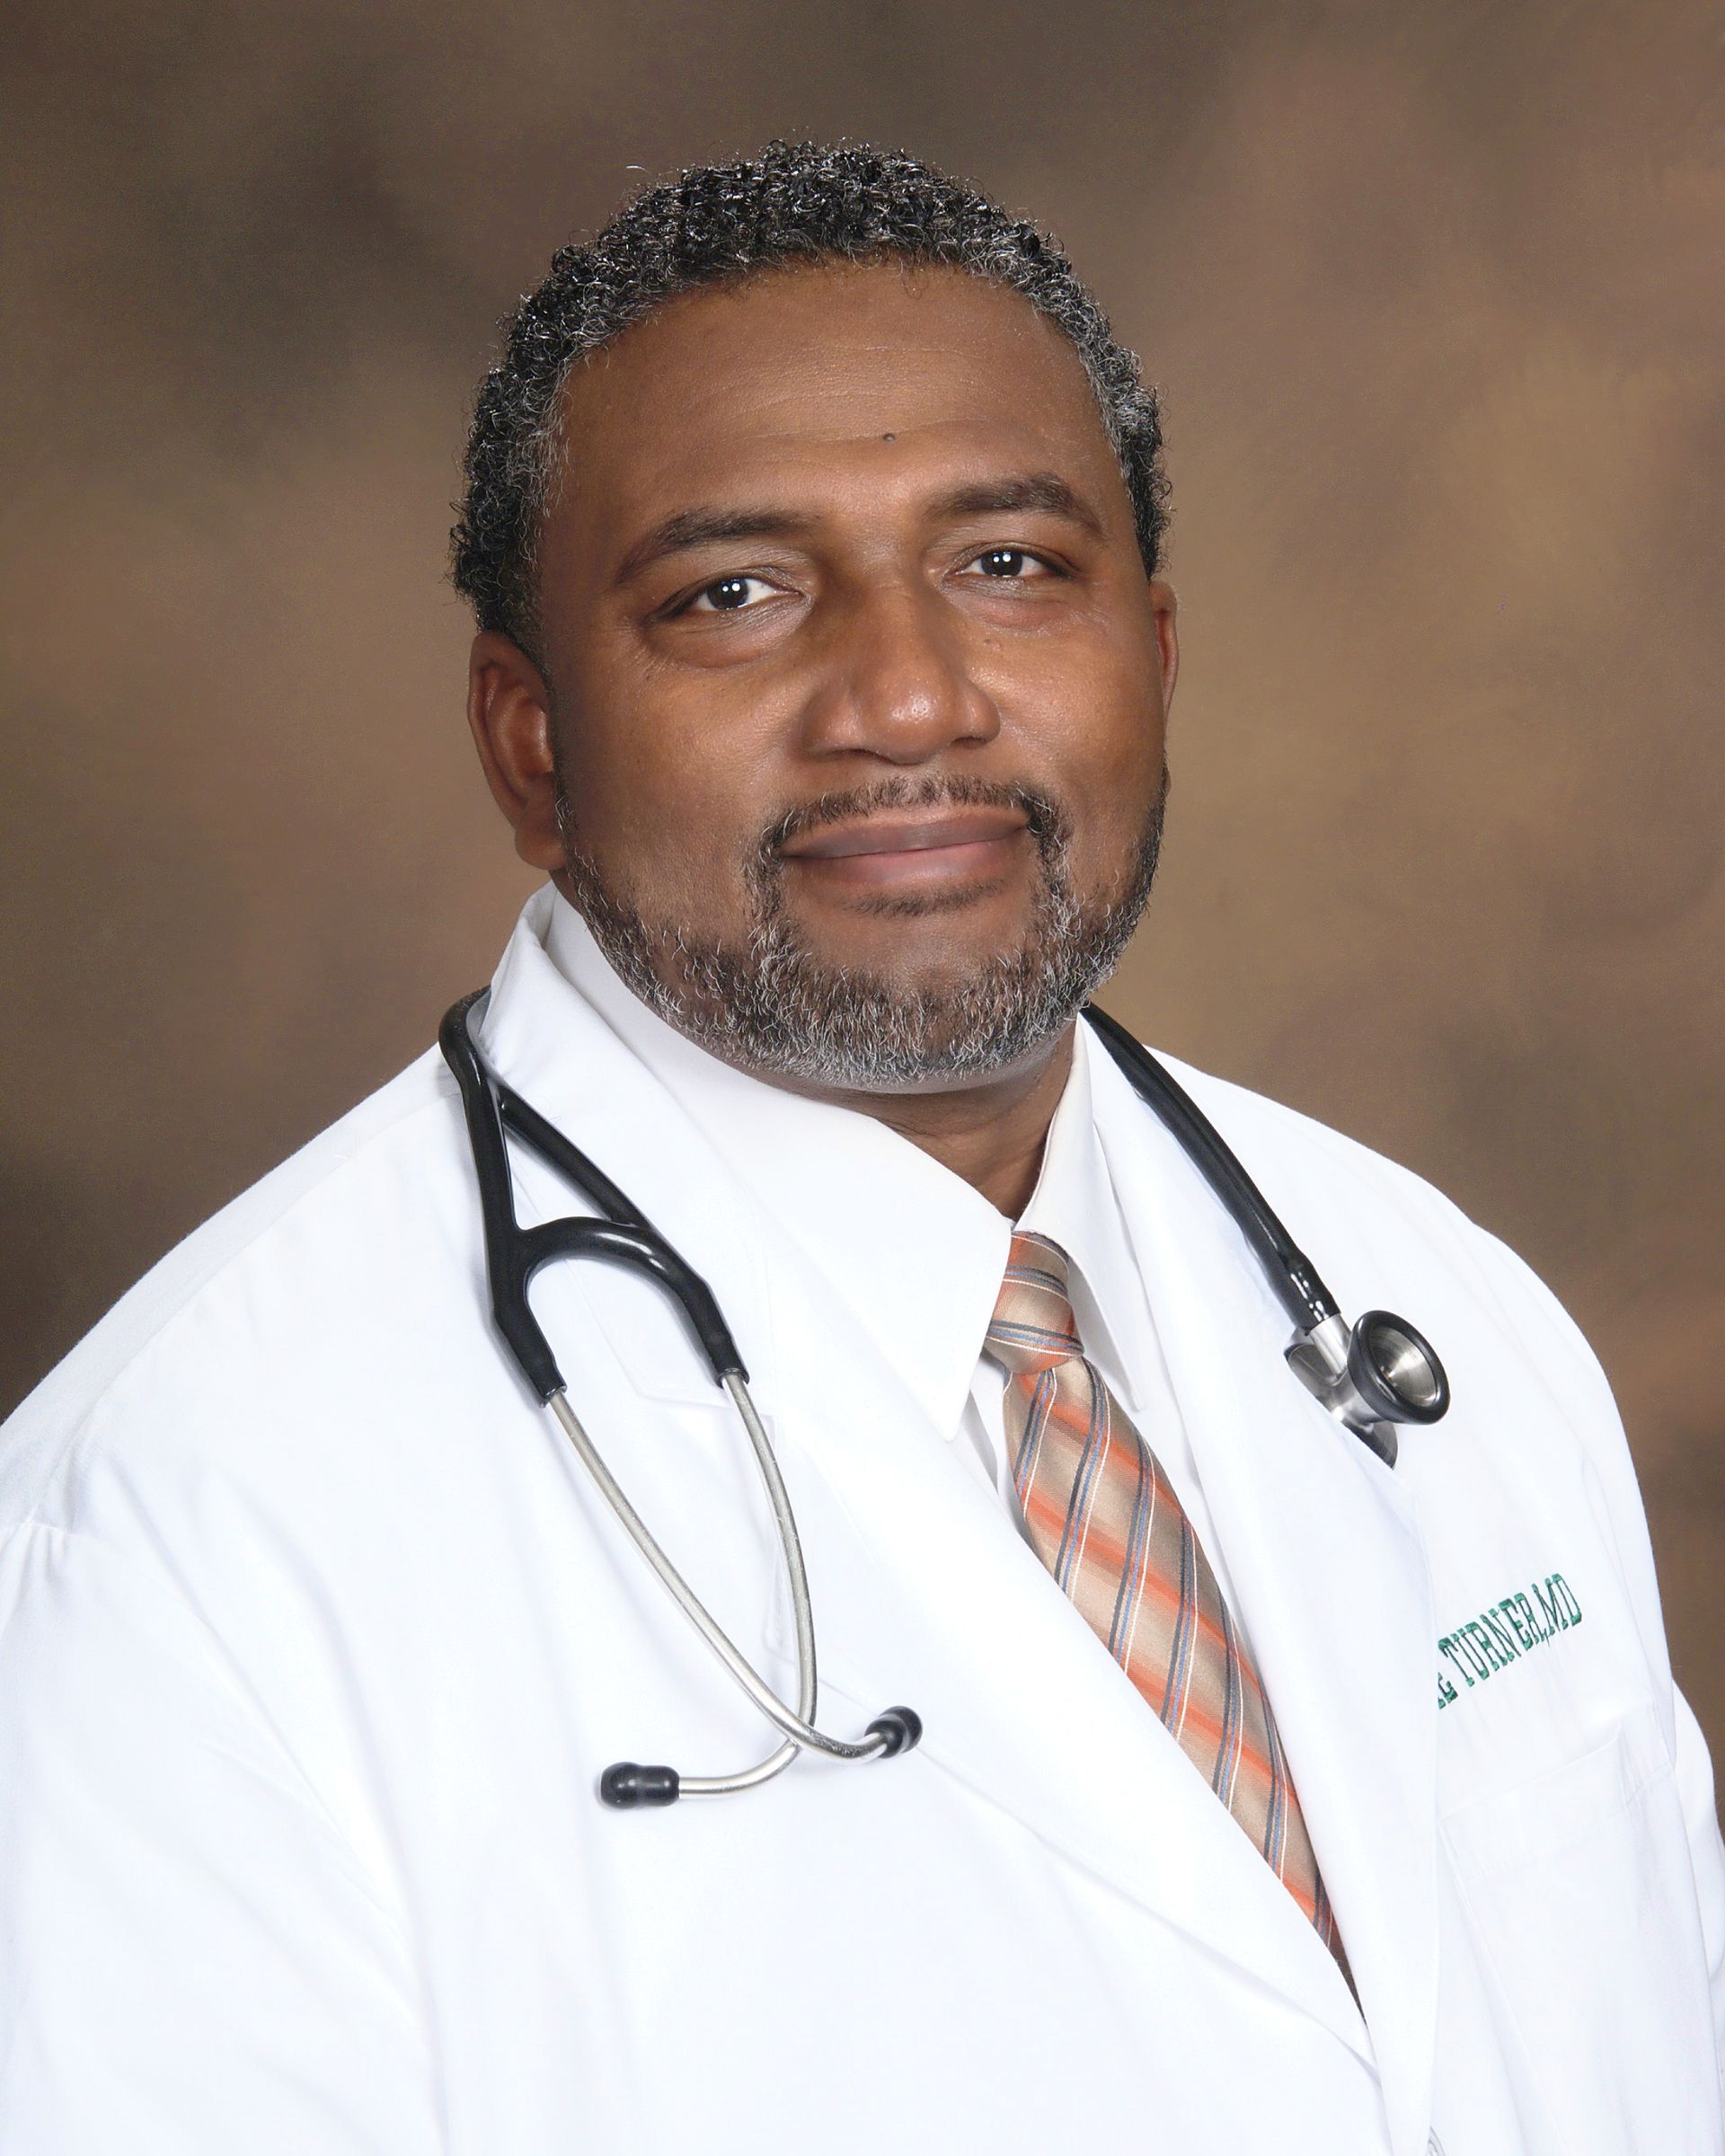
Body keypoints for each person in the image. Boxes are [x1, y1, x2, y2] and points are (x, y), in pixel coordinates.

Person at [0, 140, 1719, 2156]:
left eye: (1009, 564)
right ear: (526, 741)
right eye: (734, 595)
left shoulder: (1439, 1315)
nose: (906, 696)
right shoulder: (173, 1544)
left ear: (1155, 652)